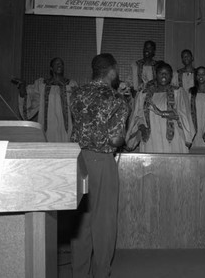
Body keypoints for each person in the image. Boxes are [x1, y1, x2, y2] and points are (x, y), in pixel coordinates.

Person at [69, 53, 130, 278]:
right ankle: (101, 273)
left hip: (78, 160)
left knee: (82, 221)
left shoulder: (76, 94)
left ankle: (79, 273)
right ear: (111, 71)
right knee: (103, 222)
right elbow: (115, 140)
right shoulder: (116, 99)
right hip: (102, 162)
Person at [126, 61, 195, 153]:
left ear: (171, 76)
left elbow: (184, 116)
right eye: (160, 73)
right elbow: (138, 116)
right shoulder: (144, 94)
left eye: (166, 73)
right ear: (155, 75)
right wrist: (142, 128)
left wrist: (162, 113)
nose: (163, 75)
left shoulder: (178, 92)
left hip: (173, 139)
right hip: (151, 137)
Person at [14, 57, 78, 142]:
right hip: (48, 129)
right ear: (51, 68)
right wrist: (22, 88)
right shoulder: (41, 85)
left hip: (65, 129)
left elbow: (78, 105)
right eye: (57, 64)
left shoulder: (71, 84)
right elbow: (30, 100)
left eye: (62, 64)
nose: (60, 65)